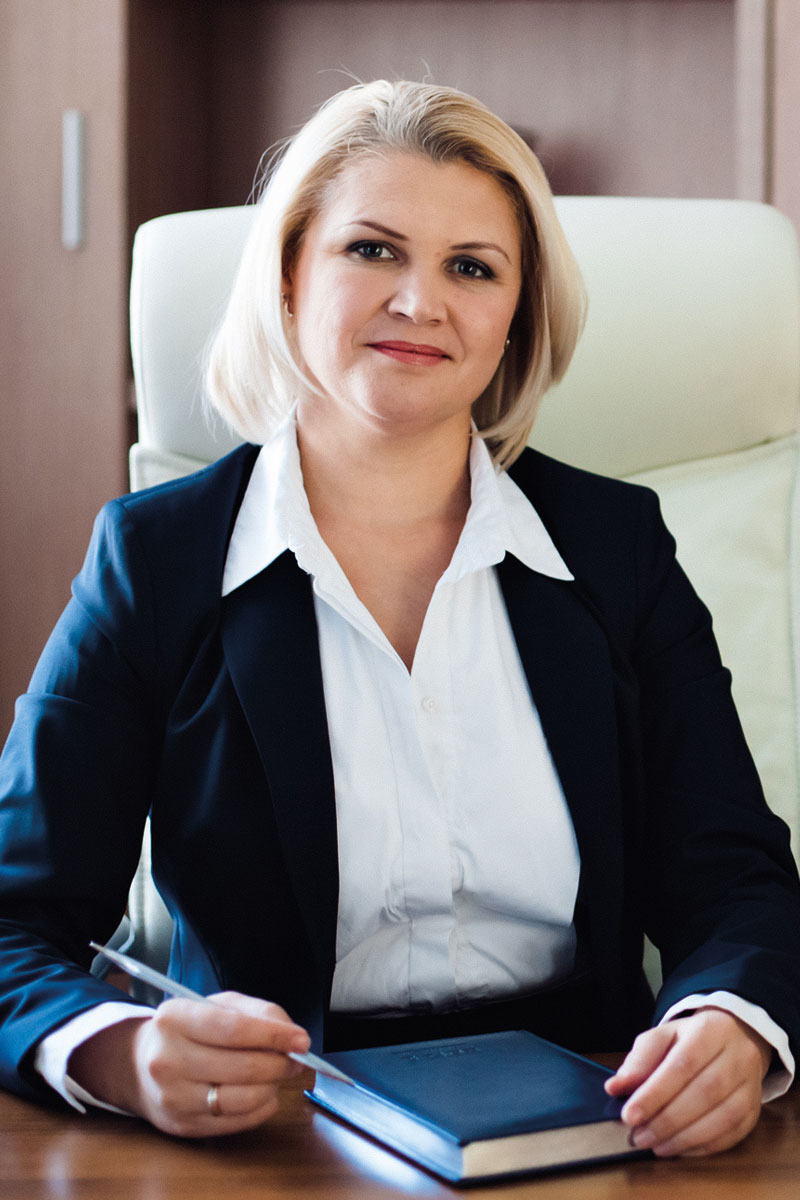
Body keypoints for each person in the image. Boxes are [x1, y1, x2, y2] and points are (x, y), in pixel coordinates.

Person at [1, 80, 799, 1157]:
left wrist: (729, 1020)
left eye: (472, 267)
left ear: (514, 318)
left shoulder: (617, 552)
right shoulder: (157, 561)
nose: (420, 302)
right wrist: (121, 1051)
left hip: (596, 1126)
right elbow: (14, 919)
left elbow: (737, 883)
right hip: (268, 1138)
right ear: (288, 277)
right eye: (371, 250)